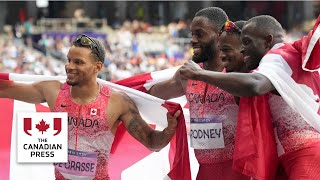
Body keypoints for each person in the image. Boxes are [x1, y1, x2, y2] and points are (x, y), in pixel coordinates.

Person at [0, 34, 180, 180]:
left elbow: (152, 142)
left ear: (97, 67)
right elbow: (5, 89)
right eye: (69, 60)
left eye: (78, 62)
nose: (69, 66)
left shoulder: (117, 102)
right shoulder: (52, 91)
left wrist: (168, 131)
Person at [179, 15, 320, 179]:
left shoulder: (276, 56)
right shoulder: (294, 54)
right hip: (292, 155)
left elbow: (256, 85)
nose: (242, 49)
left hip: (306, 154)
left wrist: (200, 74)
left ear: (267, 41)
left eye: (246, 42)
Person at [149, 7, 250, 180]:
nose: (193, 40)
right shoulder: (186, 75)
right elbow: (150, 94)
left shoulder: (238, 73)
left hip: (239, 171)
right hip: (204, 171)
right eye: (192, 34)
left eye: (200, 34)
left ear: (220, 36)